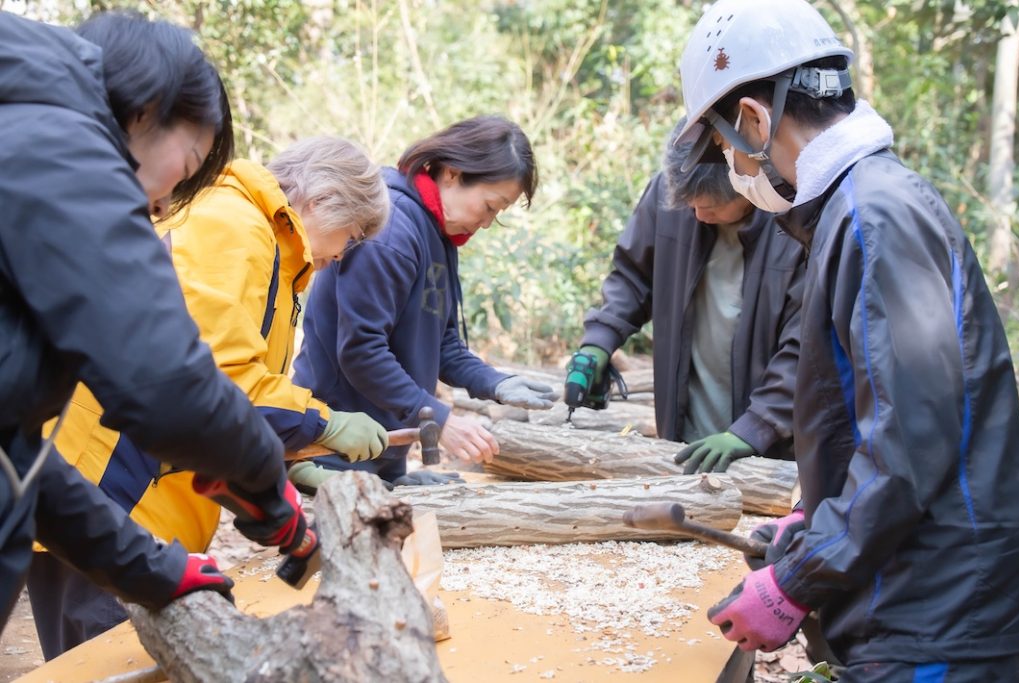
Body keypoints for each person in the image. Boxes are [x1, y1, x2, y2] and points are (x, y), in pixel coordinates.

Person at [676, 0, 1019, 678]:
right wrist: (815, 517)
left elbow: (909, 442)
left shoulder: (874, 217)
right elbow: (871, 412)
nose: (734, 165)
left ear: (753, 119)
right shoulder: (857, 207)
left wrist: (798, 577)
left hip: (940, 613)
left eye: (725, 146)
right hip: (923, 600)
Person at [0, 11, 308, 641]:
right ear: (144, 111)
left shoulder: (26, 141)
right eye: (187, 164)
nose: (164, 204)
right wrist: (265, 483)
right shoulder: (58, 144)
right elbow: (165, 387)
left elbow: (17, 457)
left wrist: (153, 571)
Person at [26, 136, 391, 658]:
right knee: (103, 660)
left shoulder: (266, 244)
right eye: (349, 237)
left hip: (138, 496)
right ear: (322, 201)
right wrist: (323, 422)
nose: (339, 257)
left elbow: (236, 388)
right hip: (108, 495)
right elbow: (210, 380)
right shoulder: (234, 226)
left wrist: (282, 459)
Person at [291, 116, 557, 489]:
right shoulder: (391, 231)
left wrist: (495, 383)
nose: (486, 222)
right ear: (452, 173)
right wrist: (441, 422)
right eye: (490, 206)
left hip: (381, 451)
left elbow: (442, 343)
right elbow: (361, 351)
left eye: (498, 214)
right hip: (331, 451)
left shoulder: (438, 236)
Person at [569, 117, 803, 475]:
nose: (697, 214)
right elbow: (633, 277)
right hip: (682, 432)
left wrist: (757, 427)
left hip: (767, 457)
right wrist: (598, 343)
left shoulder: (795, 224)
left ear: (745, 179)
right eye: (690, 204)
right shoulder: (670, 195)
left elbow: (805, 346)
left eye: (710, 207)